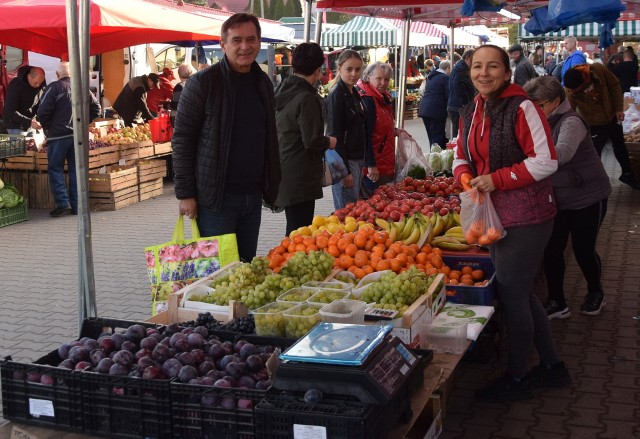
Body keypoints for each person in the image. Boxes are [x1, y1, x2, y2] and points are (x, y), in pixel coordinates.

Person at [453, 44, 569, 402]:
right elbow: (460, 155)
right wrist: (465, 177)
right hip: (494, 214)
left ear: (507, 72)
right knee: (522, 292)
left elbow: (546, 161)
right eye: (476, 67)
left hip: (527, 216)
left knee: (512, 296)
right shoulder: (472, 110)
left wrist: (496, 179)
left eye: (492, 67)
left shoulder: (523, 107)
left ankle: (518, 377)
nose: (483, 73)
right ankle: (551, 367)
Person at [172, 13, 280, 262]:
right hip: (215, 200)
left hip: (252, 196)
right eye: (237, 40)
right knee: (218, 275)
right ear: (223, 45)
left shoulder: (263, 83)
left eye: (251, 39)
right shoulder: (203, 84)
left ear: (259, 41)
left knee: (245, 269)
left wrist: (272, 183)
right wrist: (186, 194)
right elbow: (182, 141)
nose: (245, 46)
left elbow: (268, 136)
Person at [523, 76, 611, 319]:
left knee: (583, 249)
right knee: (552, 249)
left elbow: (561, 154)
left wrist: (525, 156)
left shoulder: (571, 121)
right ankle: (557, 301)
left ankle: (596, 292)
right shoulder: (539, 120)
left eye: (539, 105)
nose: (535, 110)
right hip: (557, 198)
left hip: (588, 196)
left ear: (556, 100)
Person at [274, 43, 337, 235]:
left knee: (294, 227)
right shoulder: (307, 98)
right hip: (300, 173)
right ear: (318, 70)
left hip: (285, 166)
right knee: (299, 231)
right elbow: (311, 140)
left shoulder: (283, 90)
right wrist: (329, 142)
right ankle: (289, 264)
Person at [37, 62, 101, 217]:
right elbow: (97, 108)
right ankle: (77, 205)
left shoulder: (54, 87)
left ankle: (63, 203)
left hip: (58, 136)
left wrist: (47, 128)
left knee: (55, 168)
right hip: (77, 136)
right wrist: (84, 123)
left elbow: (42, 113)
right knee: (76, 170)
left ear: (58, 75)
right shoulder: (82, 88)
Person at [563, 64, 640, 189]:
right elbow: (570, 110)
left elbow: (614, 85)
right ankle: (595, 182)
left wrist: (618, 109)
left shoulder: (598, 70)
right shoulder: (569, 90)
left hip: (611, 115)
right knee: (594, 153)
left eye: (576, 90)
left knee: (620, 146)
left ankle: (628, 174)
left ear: (584, 80)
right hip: (594, 123)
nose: (573, 93)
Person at [324, 49, 370, 211]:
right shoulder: (337, 95)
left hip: (356, 158)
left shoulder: (354, 92)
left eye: (358, 69)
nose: (354, 74)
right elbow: (335, 134)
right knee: (346, 211)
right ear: (339, 69)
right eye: (349, 69)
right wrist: (345, 171)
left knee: (352, 207)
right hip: (345, 161)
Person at [358, 61, 406, 191]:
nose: (383, 83)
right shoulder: (368, 100)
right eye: (379, 78)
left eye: (386, 79)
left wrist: (393, 131)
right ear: (368, 77)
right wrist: (371, 165)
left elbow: (378, 127)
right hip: (374, 167)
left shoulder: (382, 98)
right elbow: (365, 135)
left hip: (383, 162)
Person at [3, 66, 46, 134]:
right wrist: (29, 122)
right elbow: (10, 111)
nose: (38, 85)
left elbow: (39, 105)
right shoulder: (15, 85)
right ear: (29, 77)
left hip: (30, 125)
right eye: (36, 82)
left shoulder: (41, 86)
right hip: (15, 126)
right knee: (20, 144)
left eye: (40, 83)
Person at [419, 60, 451, 148]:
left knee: (431, 136)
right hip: (436, 110)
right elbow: (448, 94)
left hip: (424, 108)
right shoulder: (444, 78)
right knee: (437, 135)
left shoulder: (431, 76)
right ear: (447, 68)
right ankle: (438, 157)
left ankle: (432, 156)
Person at [447, 49, 475, 139]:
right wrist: (466, 103)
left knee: (460, 133)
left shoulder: (460, 67)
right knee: (460, 134)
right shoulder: (461, 68)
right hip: (458, 107)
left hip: (456, 106)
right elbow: (458, 86)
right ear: (468, 57)